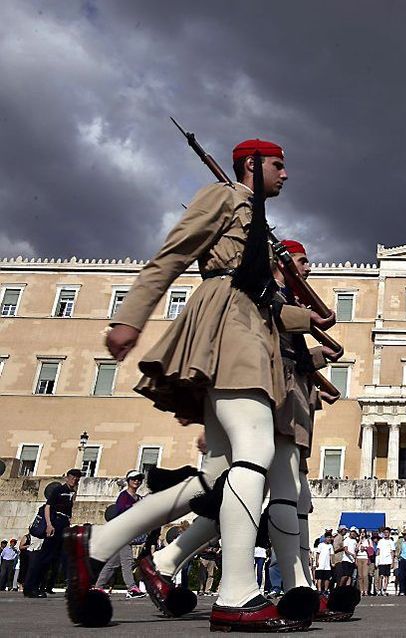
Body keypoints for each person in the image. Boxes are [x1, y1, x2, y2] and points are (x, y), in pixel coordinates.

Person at [65, 140, 327, 631]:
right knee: (255, 451)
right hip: (229, 332)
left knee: (218, 475)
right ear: (251, 164)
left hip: (252, 333)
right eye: (278, 165)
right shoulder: (222, 198)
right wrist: (130, 317)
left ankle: (97, 545)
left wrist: (309, 319)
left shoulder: (259, 225)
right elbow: (173, 254)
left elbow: (266, 302)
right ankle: (236, 592)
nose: (286, 174)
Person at [26, 468, 81, 598]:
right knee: (44, 557)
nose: (74, 480)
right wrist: (49, 524)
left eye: (77, 478)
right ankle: (31, 587)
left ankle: (44, 586)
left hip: (63, 525)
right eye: (72, 477)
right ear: (67, 477)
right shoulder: (59, 490)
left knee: (58, 557)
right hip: (55, 523)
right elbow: (48, 506)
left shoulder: (71, 492)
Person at [94, 470, 146, 598]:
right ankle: (132, 588)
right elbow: (120, 511)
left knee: (113, 563)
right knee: (127, 561)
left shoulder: (139, 498)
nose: (136, 481)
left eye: (139, 479)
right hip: (122, 532)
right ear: (128, 481)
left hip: (130, 532)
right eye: (134, 479)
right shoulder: (124, 496)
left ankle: (98, 587)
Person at [374, 528, 395, 596]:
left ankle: (384, 589)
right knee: (381, 576)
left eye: (387, 532)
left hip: (388, 561)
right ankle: (379, 590)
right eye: (385, 532)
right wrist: (377, 561)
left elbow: (392, 552)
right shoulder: (381, 541)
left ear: (389, 533)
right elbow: (378, 551)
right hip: (381, 561)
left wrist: (392, 562)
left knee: (386, 576)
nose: (386, 534)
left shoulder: (391, 542)